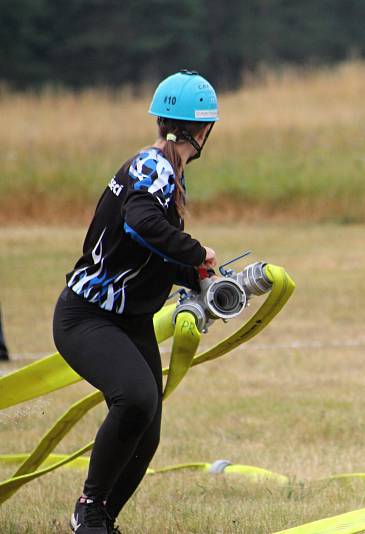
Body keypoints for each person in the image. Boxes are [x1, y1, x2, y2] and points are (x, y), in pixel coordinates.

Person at [52, 70, 220, 534]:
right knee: (136, 398)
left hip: (129, 320)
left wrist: (204, 278)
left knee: (148, 428)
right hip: (88, 316)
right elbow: (141, 223)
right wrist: (197, 251)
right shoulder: (152, 168)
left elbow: (157, 250)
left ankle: (102, 520)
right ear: (204, 130)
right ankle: (88, 507)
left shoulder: (168, 170)